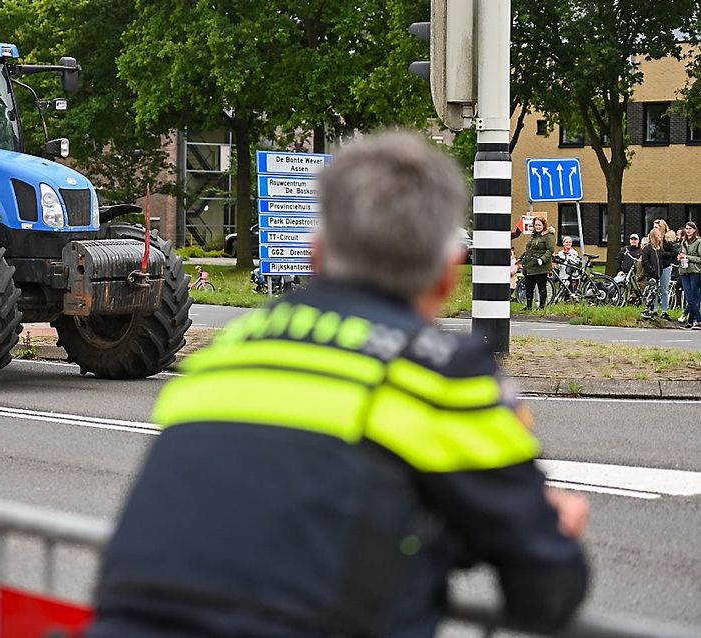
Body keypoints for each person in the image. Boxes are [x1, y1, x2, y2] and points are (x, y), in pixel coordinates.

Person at [89, 132, 589, 638]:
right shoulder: (439, 373)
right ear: (443, 277)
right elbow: (545, 595)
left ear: (316, 254)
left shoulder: (231, 353)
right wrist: (553, 532)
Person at [521, 216, 555, 310]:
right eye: (536, 225)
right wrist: (523, 261)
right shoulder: (534, 235)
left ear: (544, 225)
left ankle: (541, 306)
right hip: (530, 265)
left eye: (539, 225)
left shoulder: (548, 235)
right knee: (529, 287)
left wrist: (542, 259)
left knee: (541, 287)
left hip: (541, 266)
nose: (537, 227)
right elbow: (529, 249)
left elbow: (550, 249)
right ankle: (528, 306)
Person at [677, 221, 701, 329]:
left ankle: (693, 321)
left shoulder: (699, 242)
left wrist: (687, 257)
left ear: (694, 230)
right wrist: (680, 257)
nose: (688, 231)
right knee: (689, 296)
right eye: (686, 229)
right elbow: (681, 254)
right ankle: (696, 320)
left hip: (694, 271)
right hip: (684, 271)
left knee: (693, 296)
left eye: (690, 229)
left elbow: (699, 258)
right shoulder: (683, 242)